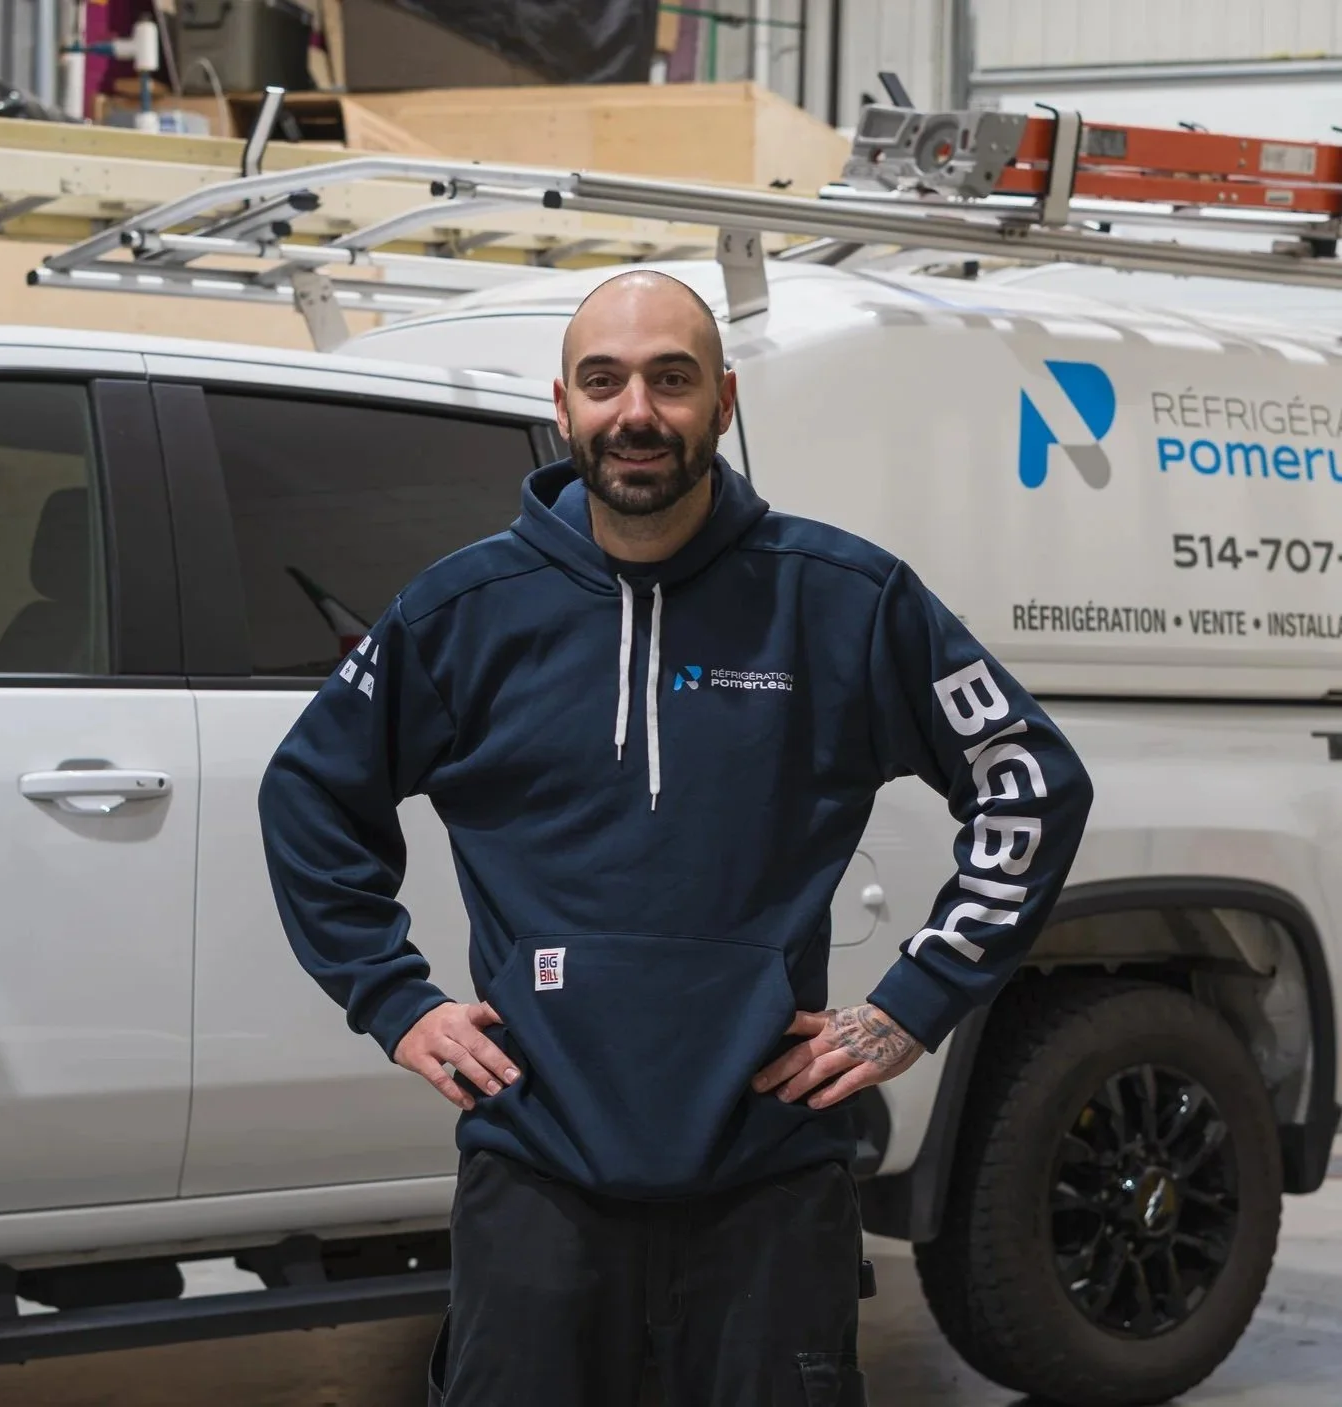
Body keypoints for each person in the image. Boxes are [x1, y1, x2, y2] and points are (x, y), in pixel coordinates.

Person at [258, 269, 1094, 1407]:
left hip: (771, 1174)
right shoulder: (464, 614)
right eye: (604, 382)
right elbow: (310, 797)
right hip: (535, 1172)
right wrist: (395, 1000)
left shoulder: (841, 599)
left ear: (725, 401)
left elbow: (1028, 785)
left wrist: (913, 1004)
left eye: (672, 380)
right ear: (564, 407)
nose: (636, 412)